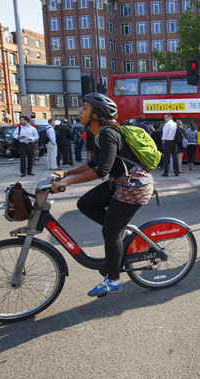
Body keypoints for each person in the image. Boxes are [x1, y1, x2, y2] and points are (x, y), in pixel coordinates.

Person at [51, 93, 154, 297]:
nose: (80, 111)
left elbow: (101, 170)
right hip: (121, 182)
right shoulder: (99, 134)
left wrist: (67, 183)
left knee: (110, 232)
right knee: (86, 204)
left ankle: (114, 280)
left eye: (84, 108)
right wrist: (67, 172)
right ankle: (118, 233)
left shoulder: (107, 134)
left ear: (97, 114)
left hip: (134, 185)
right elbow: (93, 163)